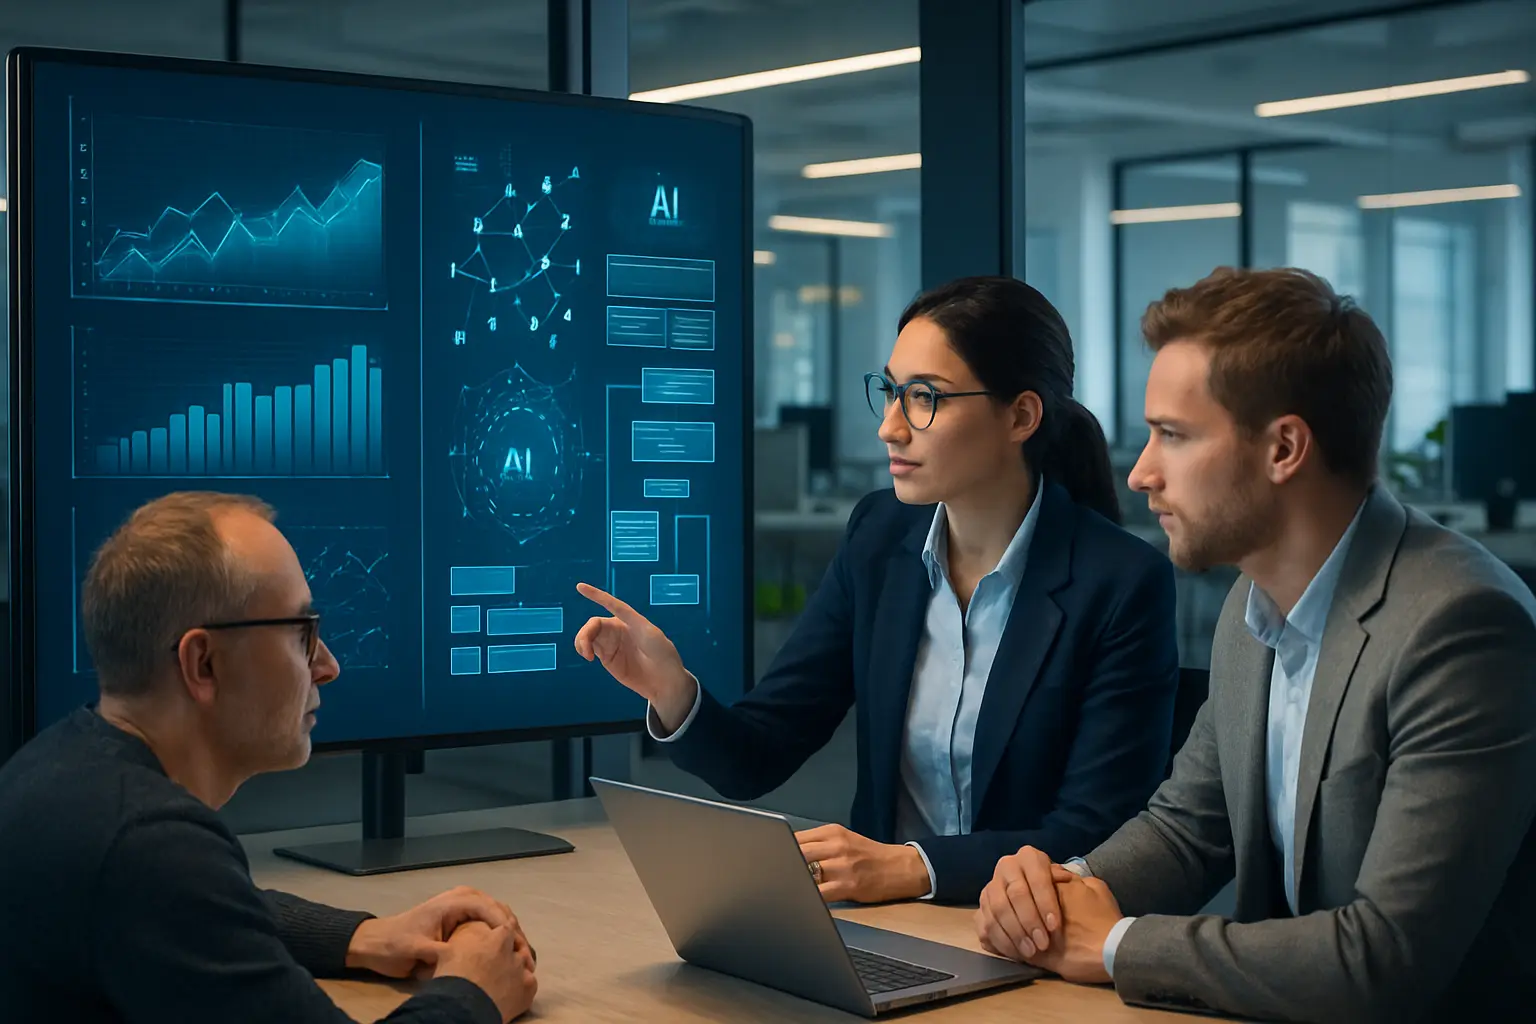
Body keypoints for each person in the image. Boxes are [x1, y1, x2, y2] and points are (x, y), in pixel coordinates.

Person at [974, 267, 1536, 1022]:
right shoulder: (1256, 597)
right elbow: (1187, 828)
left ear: (1284, 448)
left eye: (1172, 435)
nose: (1140, 473)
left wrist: (1114, 945)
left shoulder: (1460, 627)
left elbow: (1386, 957)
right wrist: (1062, 890)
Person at [576, 276, 1181, 905]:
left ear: (1021, 416)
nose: (891, 428)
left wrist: (912, 868)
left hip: (1035, 938)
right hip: (885, 929)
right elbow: (760, 752)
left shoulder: (1121, 582)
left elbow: (1096, 833)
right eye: (891, 393)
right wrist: (672, 691)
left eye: (925, 398)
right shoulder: (879, 539)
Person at [0, 492, 538, 1024]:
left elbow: (206, 911)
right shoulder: (151, 847)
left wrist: (359, 936)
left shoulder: (56, 770)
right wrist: (473, 991)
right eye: (302, 634)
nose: (327, 666)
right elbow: (180, 891)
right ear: (203, 664)